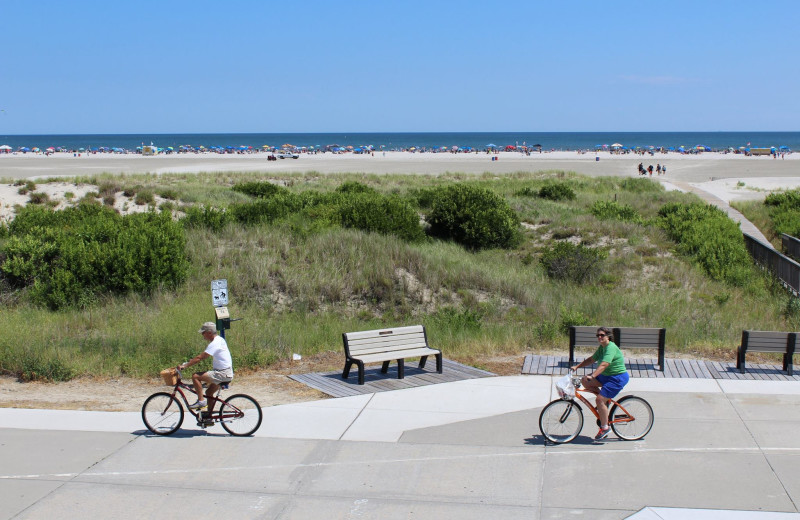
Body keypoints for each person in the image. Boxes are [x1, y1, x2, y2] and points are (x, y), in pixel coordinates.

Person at [570, 326, 629, 440]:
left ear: (608, 336)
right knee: (584, 381)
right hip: (606, 376)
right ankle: (604, 403)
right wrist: (577, 366)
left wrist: (593, 375)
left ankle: (605, 427)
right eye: (598, 335)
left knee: (599, 400)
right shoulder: (602, 347)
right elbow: (592, 359)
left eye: (602, 335)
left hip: (617, 378)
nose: (599, 337)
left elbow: (604, 364)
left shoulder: (610, 347)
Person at [179, 322, 234, 412]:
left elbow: (200, 357)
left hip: (222, 374)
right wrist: (188, 362)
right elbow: (199, 357)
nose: (202, 335)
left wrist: (184, 366)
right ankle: (209, 415)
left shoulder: (215, 343)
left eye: (203, 333)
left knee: (195, 376)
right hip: (225, 373)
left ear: (209, 332)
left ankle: (201, 402)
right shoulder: (219, 339)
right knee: (208, 392)